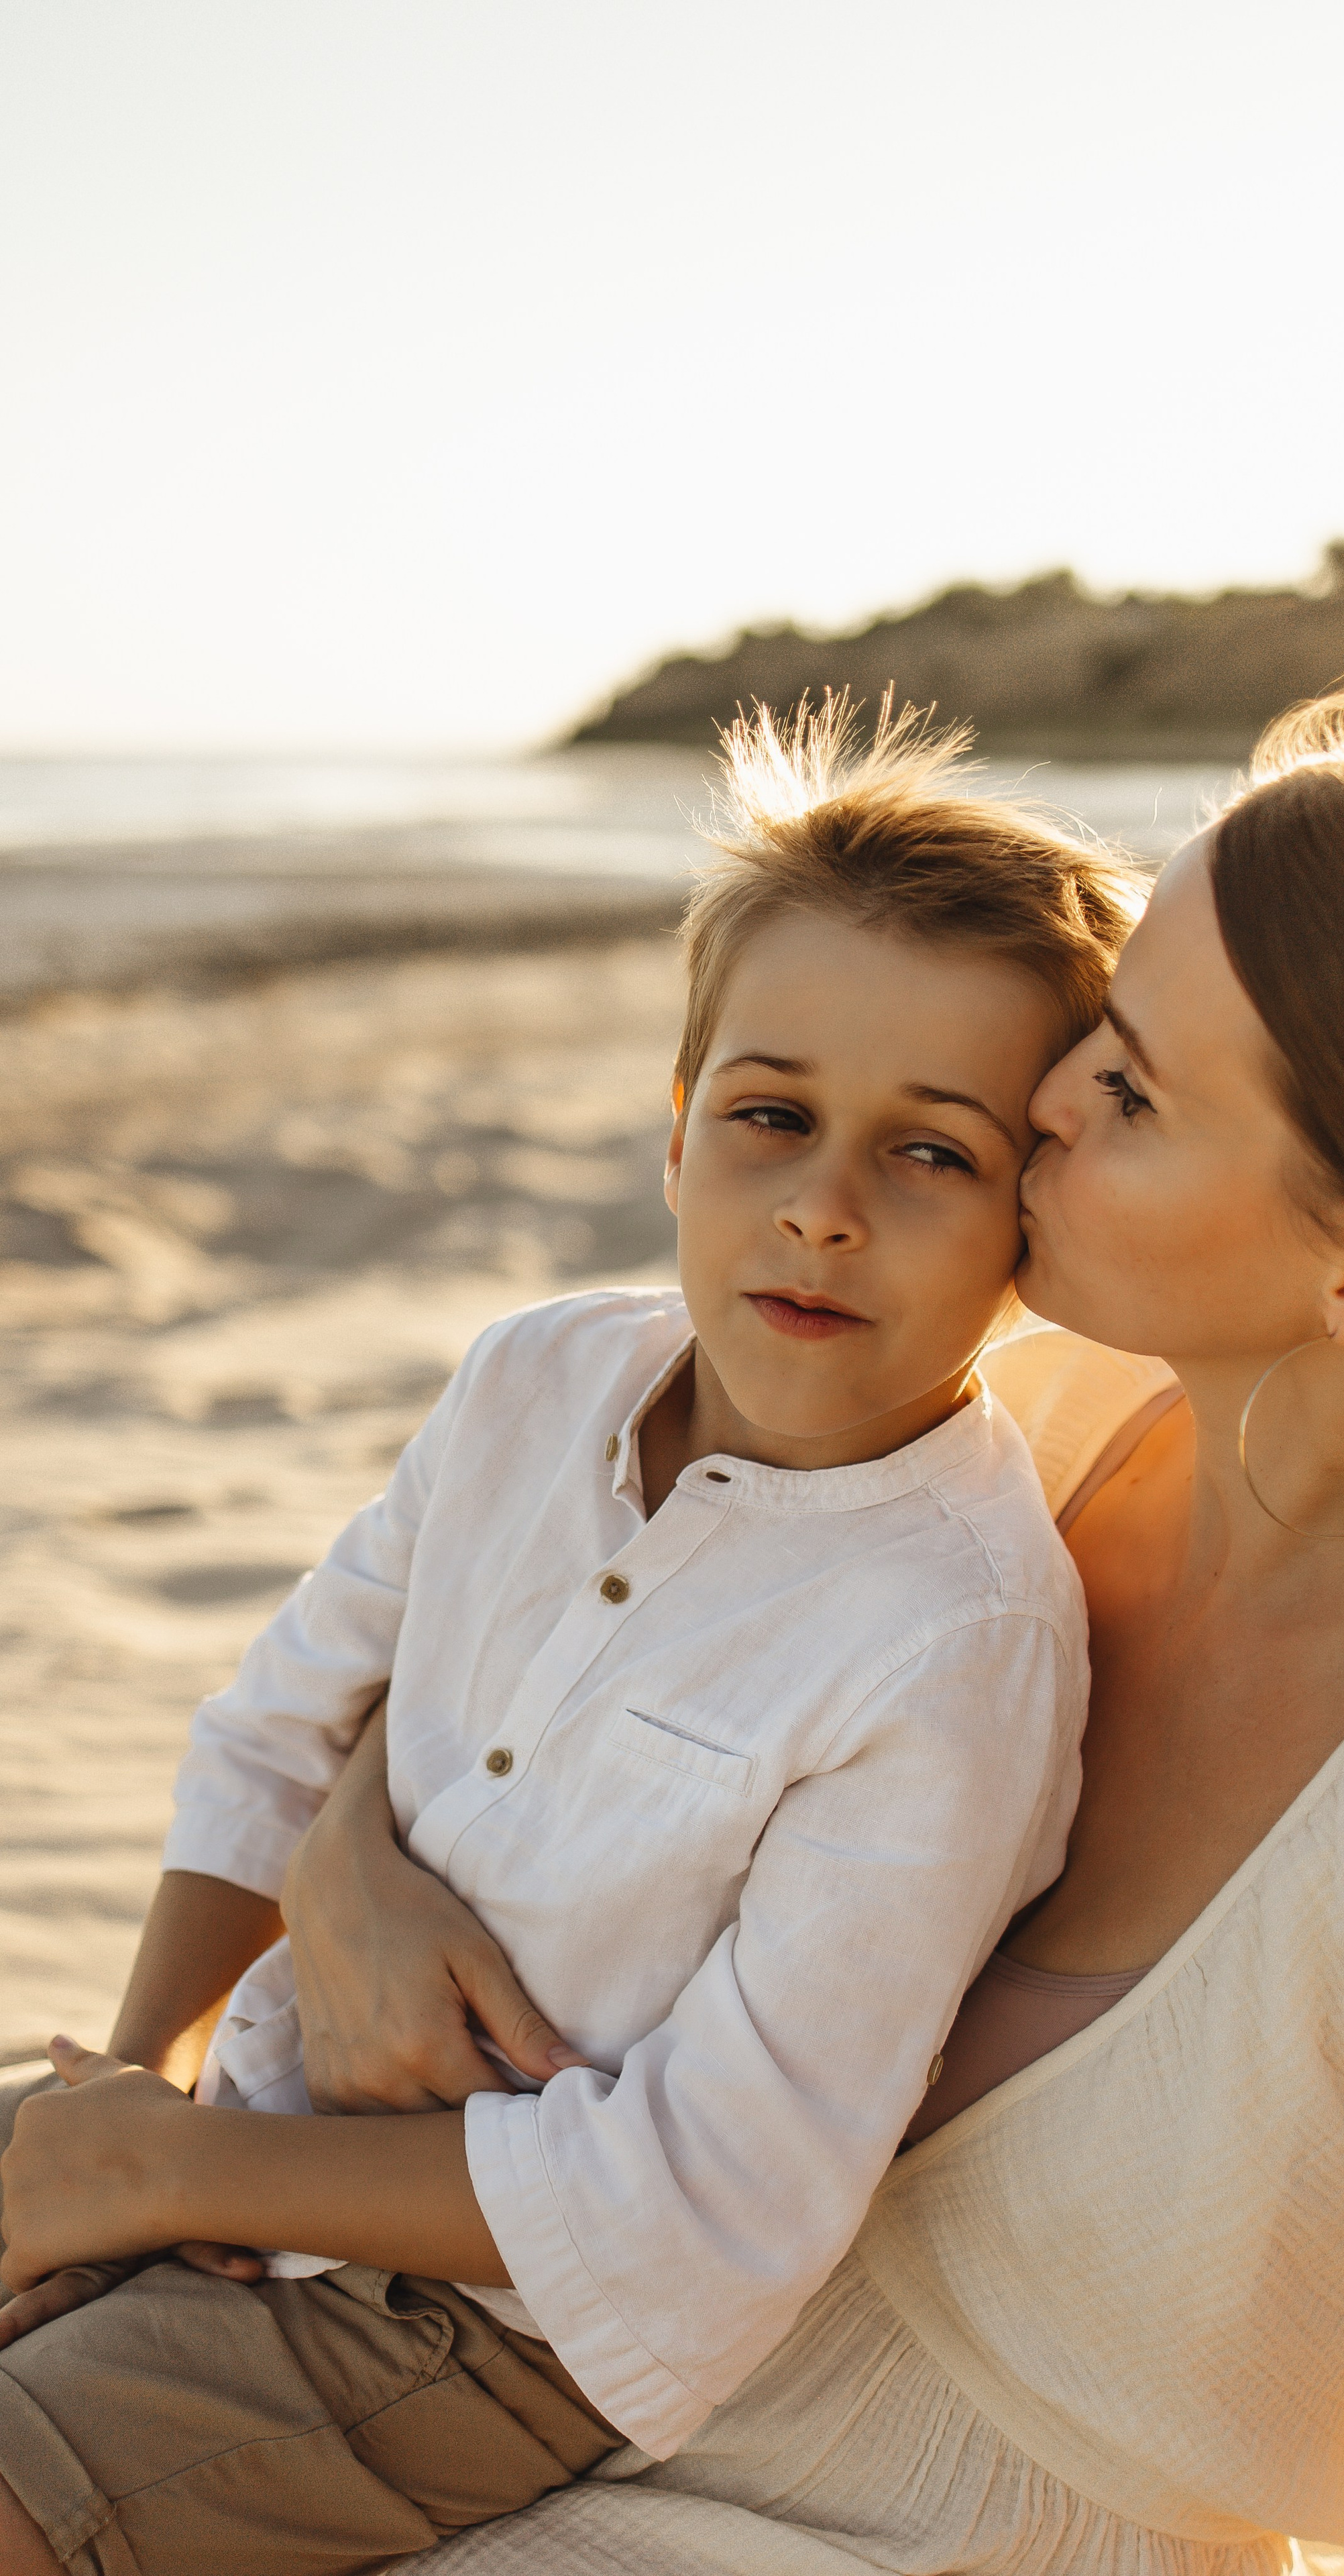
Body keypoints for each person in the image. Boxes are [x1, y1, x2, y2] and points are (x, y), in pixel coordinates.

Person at [274, 681, 1344, 2576]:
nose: (1038, 1097)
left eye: (1129, 1089)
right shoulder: (1002, 1435)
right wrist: (344, 1856)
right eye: (1096, 1032)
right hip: (469, 2395)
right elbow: (532, 1630)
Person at [0, 707, 1142, 2573]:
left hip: (471, 2326)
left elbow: (713, 2200)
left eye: (928, 1154)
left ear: (1031, 1215)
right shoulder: (537, 1376)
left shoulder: (956, 1639)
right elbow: (284, 1719)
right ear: (678, 1132)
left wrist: (189, 2174)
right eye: (771, 1116)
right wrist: (131, 2095)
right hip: (234, 2113)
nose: (822, 1207)